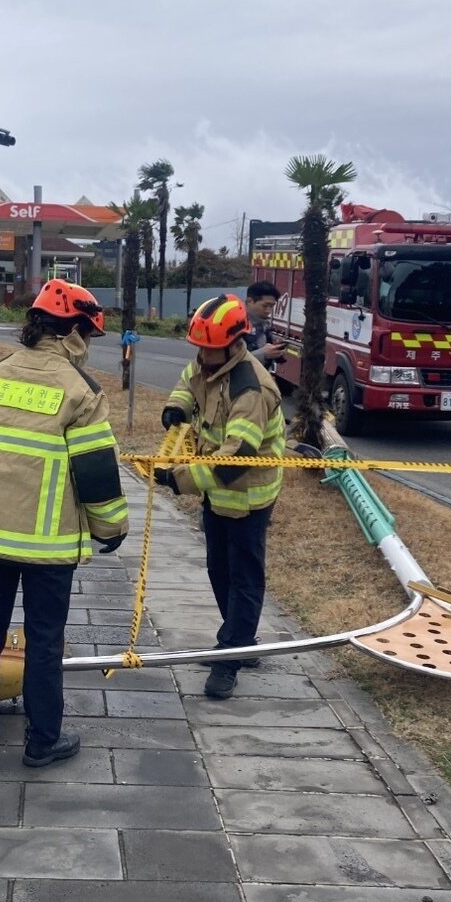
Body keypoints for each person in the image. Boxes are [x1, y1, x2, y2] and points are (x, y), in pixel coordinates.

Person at [0, 278, 129, 766]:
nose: (88, 347)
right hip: (46, 545)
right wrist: (112, 530)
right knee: (44, 638)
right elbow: (96, 474)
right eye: (88, 336)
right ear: (73, 333)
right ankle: (43, 740)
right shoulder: (80, 392)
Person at [156, 294, 285, 700]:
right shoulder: (207, 363)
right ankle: (240, 640)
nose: (203, 355)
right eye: (200, 347)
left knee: (244, 577)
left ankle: (229, 658)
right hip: (217, 496)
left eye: (210, 349)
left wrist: (180, 480)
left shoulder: (251, 388)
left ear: (234, 344)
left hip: (248, 497)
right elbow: (188, 382)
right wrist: (175, 409)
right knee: (219, 571)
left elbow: (236, 459)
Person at [244, 281, 287, 370]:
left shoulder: (264, 325)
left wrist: (274, 352)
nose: (269, 311)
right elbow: (229, 362)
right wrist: (262, 354)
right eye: (265, 305)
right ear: (250, 301)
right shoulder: (235, 324)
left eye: (272, 306)